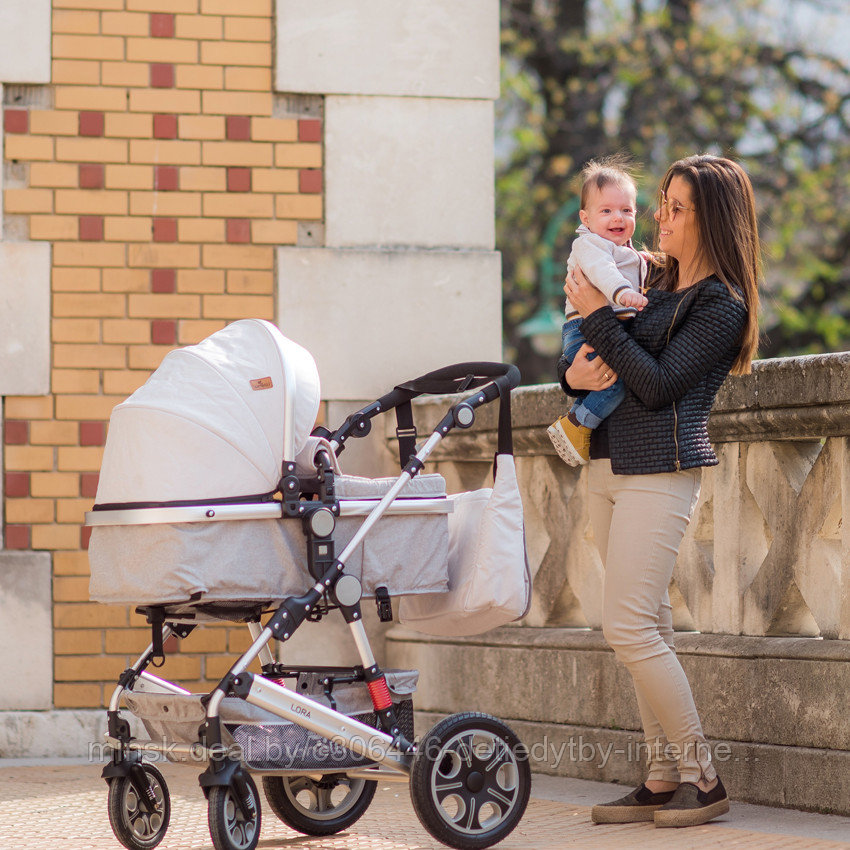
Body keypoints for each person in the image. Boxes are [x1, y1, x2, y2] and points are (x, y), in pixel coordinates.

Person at [559, 154, 760, 828]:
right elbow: (600, 365)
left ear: (712, 221)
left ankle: (705, 779)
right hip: (608, 464)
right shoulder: (649, 278)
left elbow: (657, 383)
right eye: (662, 204)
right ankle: (659, 776)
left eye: (676, 208)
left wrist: (595, 316)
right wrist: (572, 379)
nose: (658, 218)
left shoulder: (719, 306)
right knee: (649, 624)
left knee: (628, 627)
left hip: (663, 470)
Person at [547, 157, 649, 467]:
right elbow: (602, 271)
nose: (617, 217)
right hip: (583, 327)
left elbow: (624, 265)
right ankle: (577, 423)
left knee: (609, 377)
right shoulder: (588, 245)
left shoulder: (626, 251)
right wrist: (623, 292)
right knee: (614, 381)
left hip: (602, 323)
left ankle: (579, 421)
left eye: (626, 210)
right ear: (586, 218)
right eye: (606, 211)